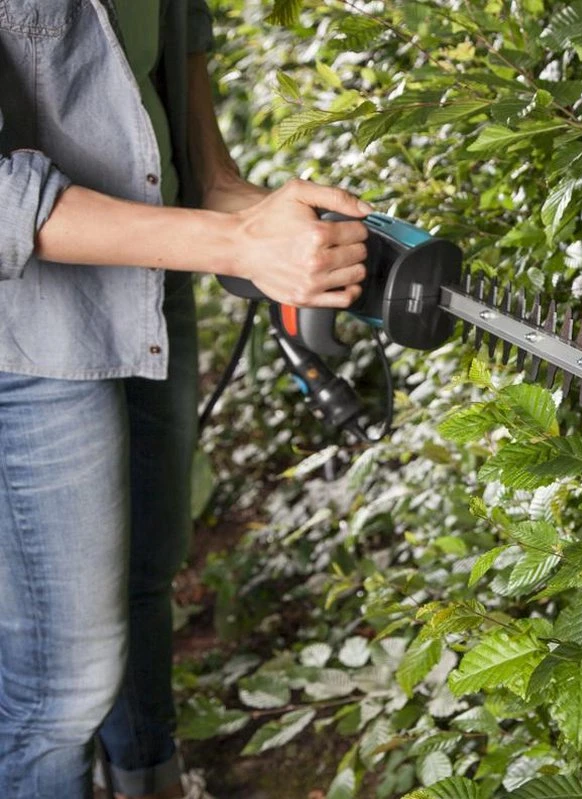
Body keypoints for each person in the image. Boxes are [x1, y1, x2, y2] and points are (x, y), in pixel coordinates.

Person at [0, 1, 370, 796]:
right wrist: (234, 244)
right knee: (58, 689)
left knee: (145, 570)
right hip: (28, 329)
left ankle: (151, 778)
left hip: (148, 269)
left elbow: (174, 34)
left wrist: (225, 191)